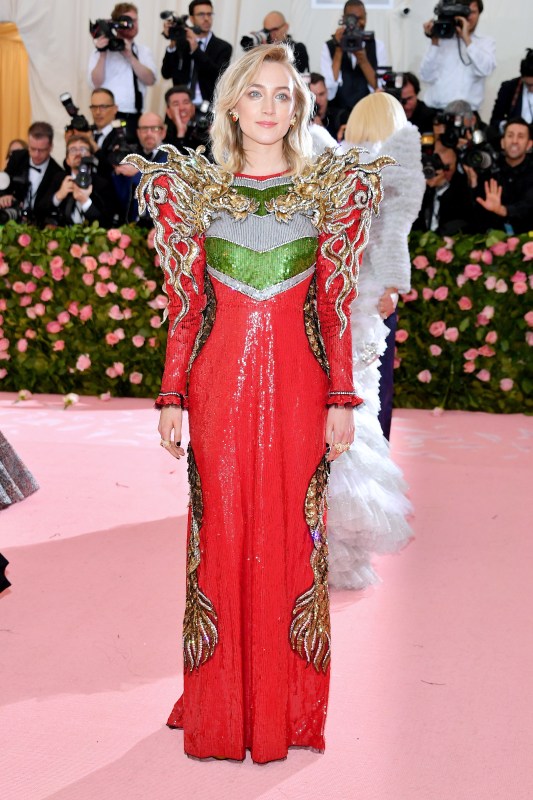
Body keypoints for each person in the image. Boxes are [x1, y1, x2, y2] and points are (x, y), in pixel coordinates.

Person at [125, 42, 389, 763]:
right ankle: (219, 706)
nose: (270, 107)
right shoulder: (195, 194)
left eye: (284, 96)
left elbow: (332, 309)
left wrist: (343, 398)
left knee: (293, 543)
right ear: (232, 103)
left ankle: (284, 709)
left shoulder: (324, 195)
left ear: (297, 110)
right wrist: (171, 395)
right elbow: (186, 309)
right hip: (215, 395)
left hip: (303, 392)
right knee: (220, 538)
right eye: (257, 93)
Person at [326, 93, 424, 588]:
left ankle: (316, 516)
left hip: (333, 294)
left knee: (335, 397)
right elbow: (393, 236)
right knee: (365, 402)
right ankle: (348, 518)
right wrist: (392, 284)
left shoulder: (338, 163)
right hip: (368, 298)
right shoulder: (396, 161)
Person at [88, 3, 156, 142]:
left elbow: (150, 80)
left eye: (135, 20)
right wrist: (102, 53)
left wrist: (130, 56)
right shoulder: (100, 52)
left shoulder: (143, 51)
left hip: (135, 117)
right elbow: (96, 83)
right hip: (109, 116)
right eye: (127, 21)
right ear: (116, 24)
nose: (132, 25)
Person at [321, 1, 388, 134]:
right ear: (344, 19)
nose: (356, 24)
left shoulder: (377, 46)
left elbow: (380, 88)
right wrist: (339, 49)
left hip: (368, 116)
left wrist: (363, 60)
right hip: (337, 117)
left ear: (366, 18)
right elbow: (329, 91)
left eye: (360, 18)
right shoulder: (329, 46)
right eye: (352, 19)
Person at [420, 0, 495, 112]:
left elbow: (485, 70)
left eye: (473, 12)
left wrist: (467, 39)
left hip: (468, 114)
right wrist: (434, 43)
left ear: (479, 14)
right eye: (465, 12)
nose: (468, 17)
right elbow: (426, 76)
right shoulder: (439, 38)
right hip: (436, 111)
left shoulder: (485, 42)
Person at [465, 117, 533, 235]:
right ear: (502, 142)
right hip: (490, 237)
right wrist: (473, 182)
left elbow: (528, 206)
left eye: (521, 137)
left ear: (529, 145)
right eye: (510, 136)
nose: (514, 141)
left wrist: (503, 210)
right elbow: (475, 210)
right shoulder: (489, 167)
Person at [161, 1, 232, 107]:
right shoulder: (181, 44)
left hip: (207, 107)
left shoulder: (223, 47)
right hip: (180, 106)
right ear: (191, 18)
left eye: (209, 14)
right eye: (201, 14)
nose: (206, 18)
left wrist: (195, 49)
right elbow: (166, 74)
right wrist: (172, 44)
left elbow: (219, 77)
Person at [0, 122, 63, 226]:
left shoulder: (57, 173)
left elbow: (48, 205)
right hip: (11, 219)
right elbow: (4, 181)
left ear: (50, 147)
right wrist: (4, 195)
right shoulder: (17, 158)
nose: (36, 154)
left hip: (38, 225)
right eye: (32, 149)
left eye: (41, 150)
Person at [47, 136, 117, 227]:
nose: (78, 154)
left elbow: (107, 222)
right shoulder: (59, 179)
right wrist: (59, 195)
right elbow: (42, 210)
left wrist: (85, 201)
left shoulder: (102, 183)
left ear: (91, 157)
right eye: (73, 150)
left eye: (83, 149)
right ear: (67, 160)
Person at [114, 112, 168, 224]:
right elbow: (123, 198)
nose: (148, 133)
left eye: (154, 129)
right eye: (144, 129)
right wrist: (118, 171)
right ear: (138, 133)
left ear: (163, 132)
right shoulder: (133, 156)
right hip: (132, 226)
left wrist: (138, 173)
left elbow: (164, 187)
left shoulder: (172, 157)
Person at [413, 139, 472, 235]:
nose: (444, 172)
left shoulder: (463, 186)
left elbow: (459, 221)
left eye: (448, 168)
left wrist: (442, 186)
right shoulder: (421, 187)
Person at [490, 48, 533, 134]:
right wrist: (505, 125)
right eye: (528, 85)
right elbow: (495, 120)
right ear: (522, 77)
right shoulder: (509, 88)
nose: (531, 89)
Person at [163, 85, 211, 153]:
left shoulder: (204, 131)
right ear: (168, 112)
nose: (182, 108)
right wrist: (181, 133)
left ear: (193, 108)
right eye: (176, 104)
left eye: (186, 102)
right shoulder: (163, 136)